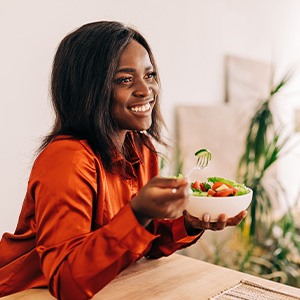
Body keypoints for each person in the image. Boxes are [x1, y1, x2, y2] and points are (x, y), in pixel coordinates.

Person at [0, 21, 247, 299]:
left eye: (150, 75)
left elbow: (143, 244)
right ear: (88, 90)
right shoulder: (67, 159)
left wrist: (190, 223)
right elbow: (65, 281)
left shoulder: (141, 149)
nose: (146, 90)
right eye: (124, 79)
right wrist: (138, 213)